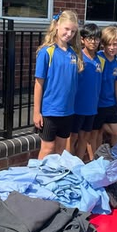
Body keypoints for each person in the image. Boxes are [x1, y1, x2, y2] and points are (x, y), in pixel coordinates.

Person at [33, 10, 83, 159]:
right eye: (66, 29)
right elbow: (38, 84)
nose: (69, 34)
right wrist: (37, 112)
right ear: (57, 26)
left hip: (67, 111)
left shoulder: (74, 53)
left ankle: (55, 173)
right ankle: (39, 172)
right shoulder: (46, 52)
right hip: (50, 110)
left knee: (61, 149)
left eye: (73, 31)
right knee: (48, 148)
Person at [91, 25, 117, 151]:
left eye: (115, 44)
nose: (112, 48)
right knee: (95, 134)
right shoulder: (98, 58)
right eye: (109, 44)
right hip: (97, 103)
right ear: (103, 44)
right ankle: (94, 158)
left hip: (110, 103)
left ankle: (102, 125)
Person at [70, 23, 103, 161]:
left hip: (91, 107)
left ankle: (78, 164)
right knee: (72, 138)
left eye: (96, 38)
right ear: (82, 40)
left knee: (84, 137)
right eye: (90, 38)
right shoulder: (77, 57)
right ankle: (68, 165)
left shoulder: (100, 59)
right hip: (76, 107)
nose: (93, 42)